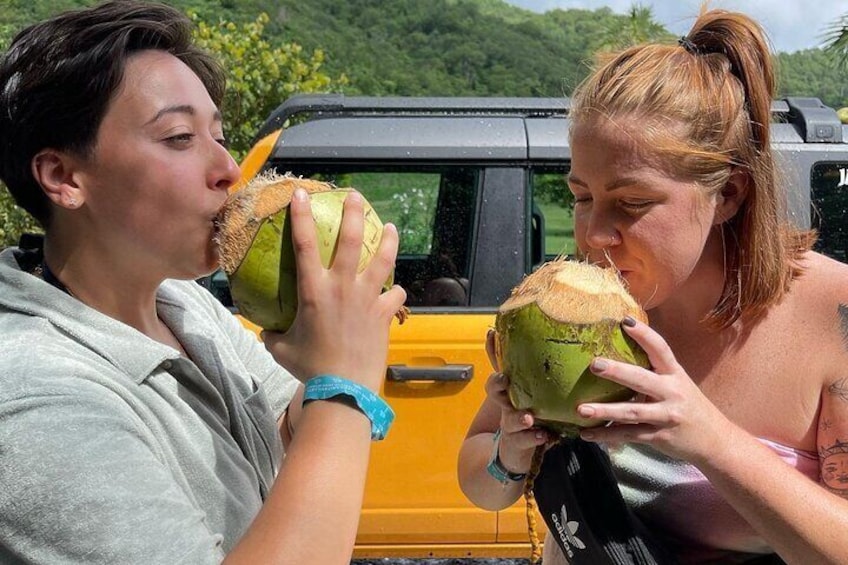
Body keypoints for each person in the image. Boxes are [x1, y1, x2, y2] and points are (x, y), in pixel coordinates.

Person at [0, 1, 405, 563]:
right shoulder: (33, 397)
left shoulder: (186, 306)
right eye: (178, 138)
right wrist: (345, 387)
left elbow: (284, 442)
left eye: (218, 134)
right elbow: (330, 422)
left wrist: (322, 361)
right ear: (64, 177)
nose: (230, 170)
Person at [458, 7, 848, 565]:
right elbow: (483, 486)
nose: (593, 235)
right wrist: (511, 453)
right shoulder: (578, 310)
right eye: (582, 196)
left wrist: (707, 437)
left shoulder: (834, 316)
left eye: (632, 203)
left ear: (730, 195)